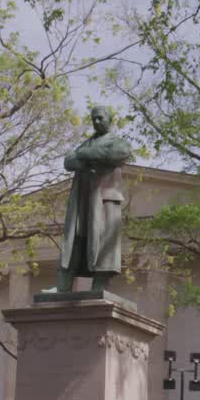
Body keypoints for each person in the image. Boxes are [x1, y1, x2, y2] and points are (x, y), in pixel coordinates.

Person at [55, 105, 133, 293]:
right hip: (82, 201)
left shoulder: (117, 142)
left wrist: (85, 156)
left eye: (100, 118)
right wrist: (92, 157)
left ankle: (99, 286)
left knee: (104, 242)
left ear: (109, 120)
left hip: (105, 200)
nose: (97, 122)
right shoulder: (86, 143)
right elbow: (68, 162)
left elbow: (118, 154)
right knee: (73, 241)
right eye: (94, 119)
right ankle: (63, 287)